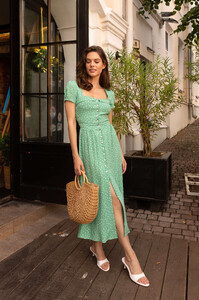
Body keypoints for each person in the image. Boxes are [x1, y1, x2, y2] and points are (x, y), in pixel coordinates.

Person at [64, 45, 149, 287]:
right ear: (85, 64)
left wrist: (120, 153)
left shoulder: (109, 93)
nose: (92, 64)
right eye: (88, 61)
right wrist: (75, 156)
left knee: (109, 198)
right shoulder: (74, 88)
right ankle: (130, 257)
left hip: (110, 149)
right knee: (106, 197)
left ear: (103, 65)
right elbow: (71, 124)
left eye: (97, 61)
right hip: (89, 146)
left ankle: (96, 247)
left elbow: (112, 125)